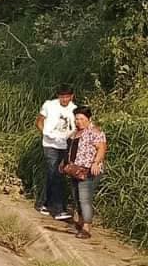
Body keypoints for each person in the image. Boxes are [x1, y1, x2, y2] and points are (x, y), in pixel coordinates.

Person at [35, 85, 77, 221]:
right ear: (58, 96)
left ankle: (43, 203)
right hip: (50, 144)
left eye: (67, 97)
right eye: (62, 97)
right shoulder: (49, 105)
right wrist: (45, 133)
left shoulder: (74, 109)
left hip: (65, 145)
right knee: (56, 173)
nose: (64, 99)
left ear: (71, 96)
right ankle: (59, 209)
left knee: (54, 174)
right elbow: (39, 121)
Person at [67, 106, 107, 239]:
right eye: (77, 119)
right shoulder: (75, 133)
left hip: (88, 169)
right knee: (75, 196)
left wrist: (96, 162)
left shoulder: (94, 132)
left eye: (82, 119)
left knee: (84, 198)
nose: (79, 121)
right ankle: (80, 221)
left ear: (89, 119)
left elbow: (101, 148)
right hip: (75, 170)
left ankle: (87, 227)